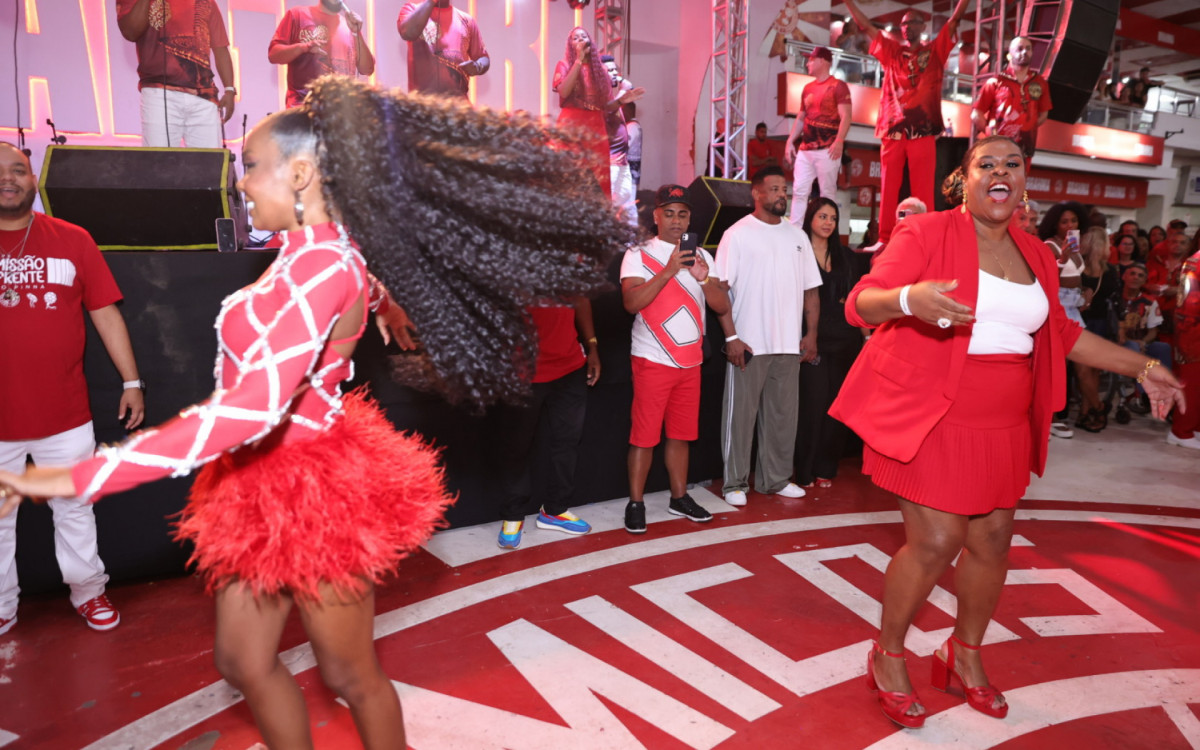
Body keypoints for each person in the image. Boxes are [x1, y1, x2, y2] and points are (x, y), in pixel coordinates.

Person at [0, 76, 634, 747]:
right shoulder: (320, 255)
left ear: (300, 174)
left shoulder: (322, 266)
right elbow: (351, 275)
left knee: (349, 674)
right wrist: (384, 302)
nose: (241, 183)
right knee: (242, 662)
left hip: (311, 489)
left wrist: (84, 475)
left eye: (251, 166)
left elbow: (253, 410)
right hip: (255, 482)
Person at [828, 135, 1184, 730]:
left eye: (1012, 163)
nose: (1000, 171)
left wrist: (1144, 366)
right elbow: (861, 304)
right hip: (932, 412)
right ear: (964, 180)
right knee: (937, 541)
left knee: (993, 542)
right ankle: (887, 654)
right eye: (986, 163)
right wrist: (909, 299)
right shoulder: (927, 233)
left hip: (1005, 419)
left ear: (1023, 181)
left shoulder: (1036, 252)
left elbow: (1061, 334)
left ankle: (963, 652)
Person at [0, 142, 146, 636]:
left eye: (18, 169)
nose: (8, 178)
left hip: (64, 413)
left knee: (75, 509)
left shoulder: (72, 238)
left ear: (33, 180)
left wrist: (132, 380)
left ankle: (88, 591)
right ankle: (2, 604)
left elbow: (105, 313)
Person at [620, 185, 732, 532]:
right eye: (669, 213)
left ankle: (678, 498)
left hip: (690, 360)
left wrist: (703, 278)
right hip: (652, 358)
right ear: (656, 216)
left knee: (681, 436)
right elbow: (631, 303)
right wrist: (668, 270)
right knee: (644, 437)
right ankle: (635, 503)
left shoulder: (702, 256)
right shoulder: (638, 253)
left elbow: (721, 306)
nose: (676, 220)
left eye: (682, 214)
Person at [714, 167, 822, 507]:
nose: (781, 195)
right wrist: (731, 337)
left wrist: (811, 334)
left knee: (782, 418)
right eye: (774, 189)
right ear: (756, 193)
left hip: (789, 344)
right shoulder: (737, 234)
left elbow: (811, 291)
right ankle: (734, 483)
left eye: (784, 189)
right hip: (749, 343)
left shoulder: (797, 235)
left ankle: (775, 480)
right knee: (740, 419)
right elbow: (720, 290)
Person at [843, 0, 972, 243]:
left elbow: (954, 20)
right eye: (903, 24)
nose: (906, 27)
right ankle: (884, 238)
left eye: (912, 23)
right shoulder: (892, 51)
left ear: (923, 26)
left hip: (923, 130)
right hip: (892, 129)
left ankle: (928, 236)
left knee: (923, 188)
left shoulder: (934, 51)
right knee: (888, 187)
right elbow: (866, 26)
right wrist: (848, 2)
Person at [495, 298, 601, 549]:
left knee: (568, 441)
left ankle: (555, 509)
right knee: (517, 445)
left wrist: (592, 345)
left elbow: (581, 298)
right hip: (523, 370)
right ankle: (513, 515)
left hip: (570, 366)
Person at [794, 197, 867, 488]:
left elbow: (856, 299)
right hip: (813, 340)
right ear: (810, 218)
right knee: (812, 406)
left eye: (833, 218)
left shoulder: (845, 256)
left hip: (845, 340)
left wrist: (866, 338)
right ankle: (804, 470)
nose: (828, 223)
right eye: (822, 216)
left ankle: (826, 466)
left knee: (837, 407)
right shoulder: (798, 252)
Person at [116, 0, 236, 147]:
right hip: (159, 94)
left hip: (204, 96)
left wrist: (229, 89)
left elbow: (220, 48)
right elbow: (130, 32)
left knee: (208, 160)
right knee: (160, 159)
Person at [554, 27, 644, 198]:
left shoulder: (600, 71)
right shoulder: (564, 65)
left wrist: (621, 100)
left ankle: (598, 212)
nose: (580, 39)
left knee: (599, 179)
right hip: (572, 124)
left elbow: (607, 107)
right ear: (570, 45)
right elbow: (564, 92)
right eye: (575, 38)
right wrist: (579, 60)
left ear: (590, 42)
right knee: (570, 177)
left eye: (583, 36)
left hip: (596, 127)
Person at [1038, 201, 1090, 438]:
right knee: (1055, 366)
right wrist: (1062, 260)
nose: (1069, 225)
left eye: (1073, 221)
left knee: (1071, 365)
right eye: (1064, 221)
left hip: (1074, 307)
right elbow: (1047, 279)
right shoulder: (1049, 246)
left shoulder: (1075, 247)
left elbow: (1077, 277)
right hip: (1056, 306)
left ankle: (1056, 413)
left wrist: (1086, 291)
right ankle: (1049, 417)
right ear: (1054, 224)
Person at [785, 47, 851, 224]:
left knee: (827, 193)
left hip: (828, 149)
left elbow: (846, 116)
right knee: (799, 191)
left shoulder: (838, 86)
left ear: (822, 61)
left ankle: (826, 231)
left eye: (811, 60)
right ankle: (795, 230)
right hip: (806, 148)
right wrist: (790, 140)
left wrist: (839, 140)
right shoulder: (808, 88)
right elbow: (801, 117)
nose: (808, 64)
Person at [269, 1, 376, 108]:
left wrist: (357, 32)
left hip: (340, 112)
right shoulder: (297, 14)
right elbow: (274, 54)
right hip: (304, 110)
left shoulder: (349, 26)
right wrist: (303, 47)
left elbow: (367, 69)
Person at [972, 37, 1052, 162]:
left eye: (1028, 49)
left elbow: (1043, 115)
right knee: (996, 174)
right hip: (997, 148)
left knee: (1019, 175)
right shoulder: (996, 81)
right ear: (1010, 53)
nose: (1024, 52)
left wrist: (1027, 127)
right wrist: (991, 133)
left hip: (1024, 149)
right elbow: (976, 114)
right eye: (1019, 49)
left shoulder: (1040, 83)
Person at [1074, 226, 1122, 432]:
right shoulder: (1076, 266)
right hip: (1079, 322)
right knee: (1083, 371)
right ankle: (1099, 408)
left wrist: (1120, 327)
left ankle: (1085, 412)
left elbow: (1116, 300)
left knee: (1093, 371)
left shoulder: (1110, 270)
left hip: (1100, 324)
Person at [397, 0, 489, 98]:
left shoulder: (467, 20)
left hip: (458, 103)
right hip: (424, 103)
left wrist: (477, 66)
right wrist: (431, 2)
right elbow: (409, 33)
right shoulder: (412, 10)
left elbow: (483, 57)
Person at [601, 55, 640, 227]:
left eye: (615, 69)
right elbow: (606, 109)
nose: (614, 73)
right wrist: (623, 92)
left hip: (621, 162)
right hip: (609, 163)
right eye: (609, 70)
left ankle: (629, 240)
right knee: (609, 207)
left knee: (628, 206)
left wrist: (622, 89)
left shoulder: (612, 94)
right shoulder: (598, 94)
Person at [1168, 241, 1200, 449]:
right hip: (1193, 333)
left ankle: (1194, 428)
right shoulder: (1196, 262)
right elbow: (1190, 301)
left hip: (1192, 330)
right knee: (1192, 383)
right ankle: (1181, 432)